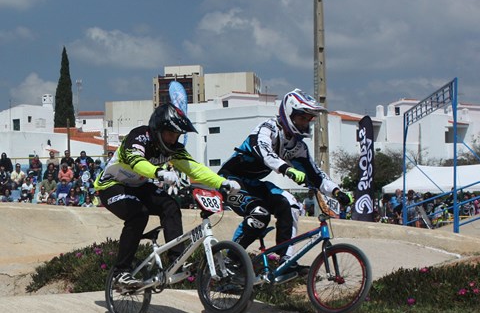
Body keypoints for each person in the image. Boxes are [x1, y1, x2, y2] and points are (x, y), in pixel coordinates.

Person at [94, 102, 241, 288]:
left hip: (139, 185)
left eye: (177, 135)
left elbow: (195, 169)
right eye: (170, 134)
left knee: (170, 205)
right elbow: (136, 162)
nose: (173, 139)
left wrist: (222, 182)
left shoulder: (174, 149)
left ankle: (175, 260)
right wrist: (159, 173)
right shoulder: (138, 136)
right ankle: (120, 272)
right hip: (111, 185)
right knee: (139, 214)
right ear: (158, 129)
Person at [218, 89, 350, 272]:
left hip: (254, 185)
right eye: (301, 118)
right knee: (260, 214)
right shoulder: (267, 128)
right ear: (289, 114)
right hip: (231, 181)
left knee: (291, 204)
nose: (305, 123)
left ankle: (285, 260)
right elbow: (265, 153)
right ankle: (229, 262)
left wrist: (337, 192)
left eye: (308, 119)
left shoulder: (298, 146)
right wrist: (287, 169)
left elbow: (316, 175)